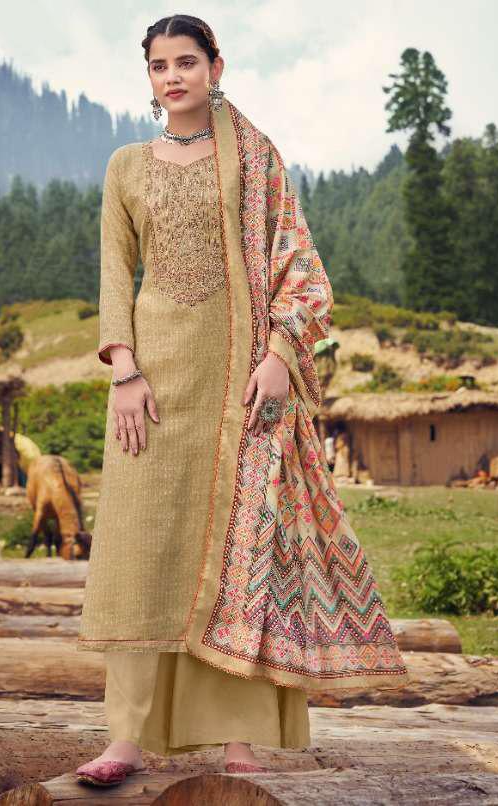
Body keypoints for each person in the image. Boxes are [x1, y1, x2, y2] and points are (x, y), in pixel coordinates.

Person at [75, 14, 410, 788]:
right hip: (152, 386)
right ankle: (126, 738)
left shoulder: (253, 158)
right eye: (159, 65)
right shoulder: (126, 166)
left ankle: (237, 736)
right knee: (139, 551)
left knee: (243, 553)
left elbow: (300, 263)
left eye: (186, 62)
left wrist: (282, 356)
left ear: (216, 67)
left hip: (240, 387)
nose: (173, 77)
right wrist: (123, 369)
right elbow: (114, 271)